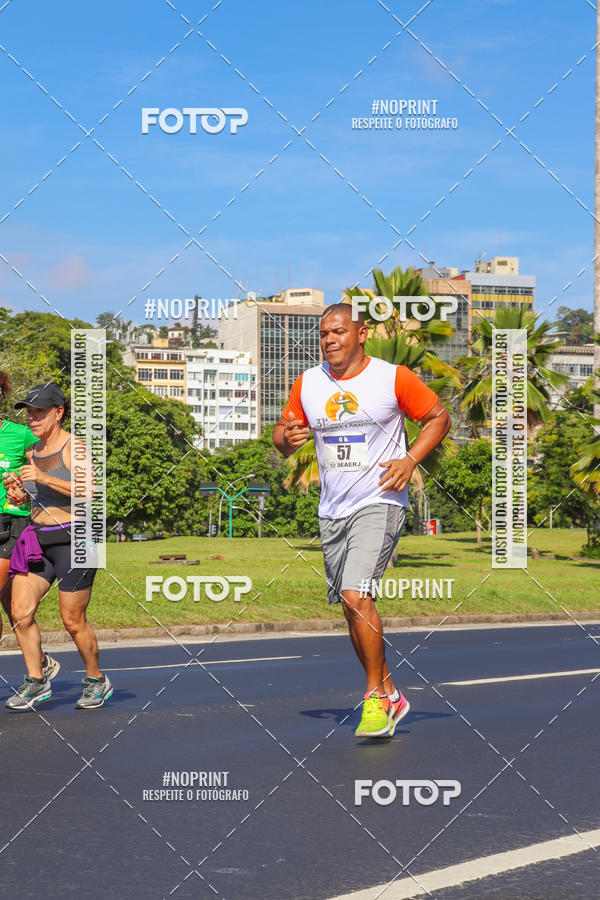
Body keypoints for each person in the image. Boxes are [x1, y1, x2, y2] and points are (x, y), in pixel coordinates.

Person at [273, 303, 451, 738]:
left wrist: (410, 460)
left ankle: (374, 698)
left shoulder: (392, 378)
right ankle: (391, 692)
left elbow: (439, 418)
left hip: (380, 501)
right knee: (351, 609)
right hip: (332, 509)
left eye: (338, 331)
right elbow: (282, 434)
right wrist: (287, 438)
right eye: (323, 334)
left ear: (361, 333)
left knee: (356, 595)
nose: (329, 340)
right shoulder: (309, 382)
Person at [4, 382, 112, 712]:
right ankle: (37, 680)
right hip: (39, 538)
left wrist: (43, 477)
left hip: (77, 539)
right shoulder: (32, 452)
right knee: (20, 612)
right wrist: (19, 494)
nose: (32, 419)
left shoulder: (73, 447)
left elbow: (90, 490)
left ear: (58, 412)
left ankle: (96, 680)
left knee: (72, 619)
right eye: (29, 413)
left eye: (39, 412)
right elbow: (35, 498)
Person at [0, 370, 61, 681]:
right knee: (14, 608)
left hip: (9, 524)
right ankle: (41, 663)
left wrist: (23, 490)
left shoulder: (20, 435)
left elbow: (47, 476)